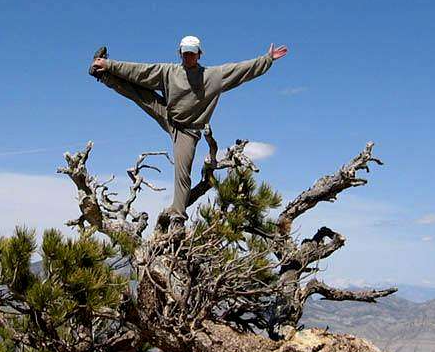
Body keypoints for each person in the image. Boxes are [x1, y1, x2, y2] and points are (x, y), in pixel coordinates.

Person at [89, 35, 288, 224]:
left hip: (188, 132)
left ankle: (177, 217)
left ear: (199, 54)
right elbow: (139, 71)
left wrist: (267, 59)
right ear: (180, 53)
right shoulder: (169, 72)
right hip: (168, 115)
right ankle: (102, 73)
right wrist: (109, 64)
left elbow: (242, 70)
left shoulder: (212, 76)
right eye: (185, 53)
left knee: (182, 172)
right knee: (140, 93)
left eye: (192, 53)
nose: (188, 57)